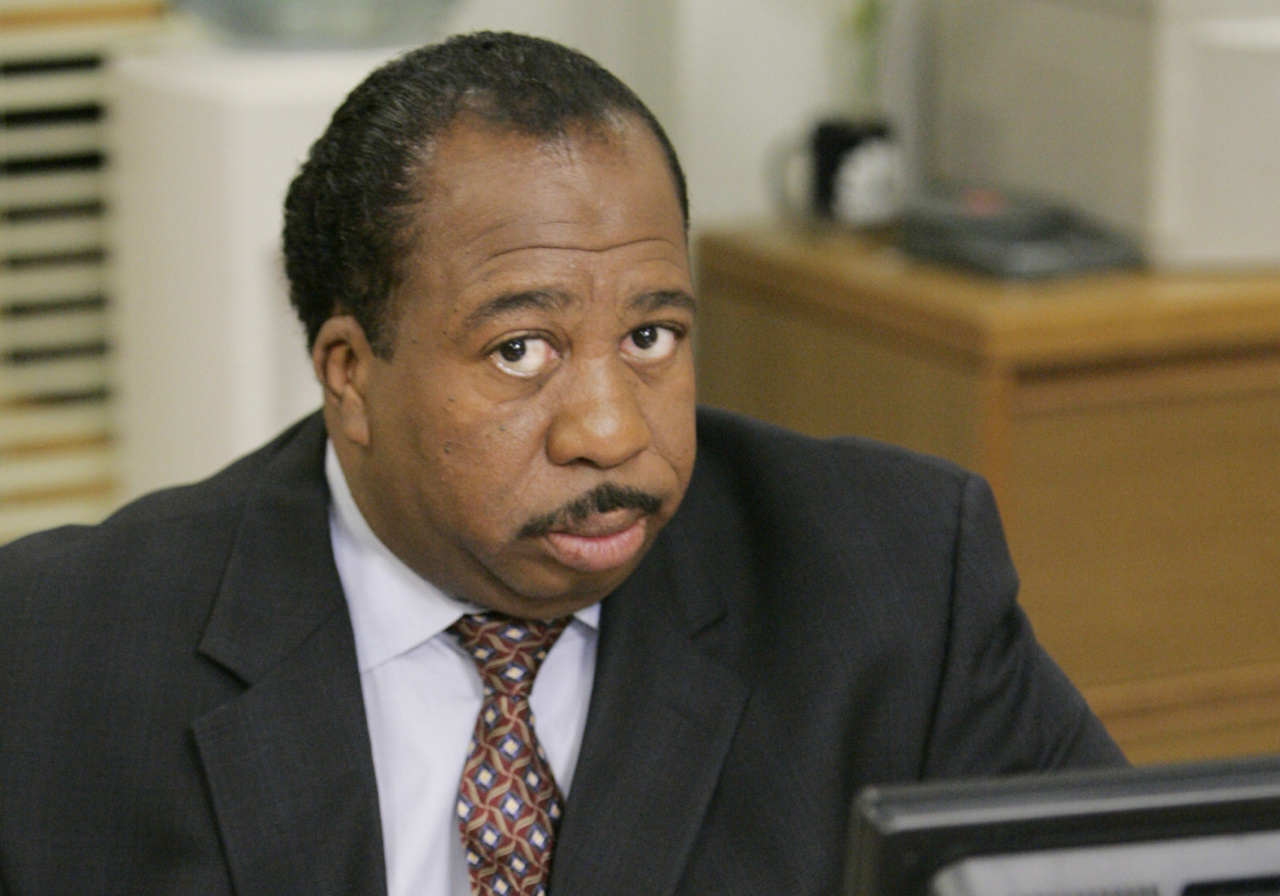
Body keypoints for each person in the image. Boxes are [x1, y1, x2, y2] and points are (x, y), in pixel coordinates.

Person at [0, 31, 1124, 896]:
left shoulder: (894, 579)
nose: (609, 427)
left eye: (650, 336)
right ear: (349, 373)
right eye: (520, 349)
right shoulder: (55, 650)